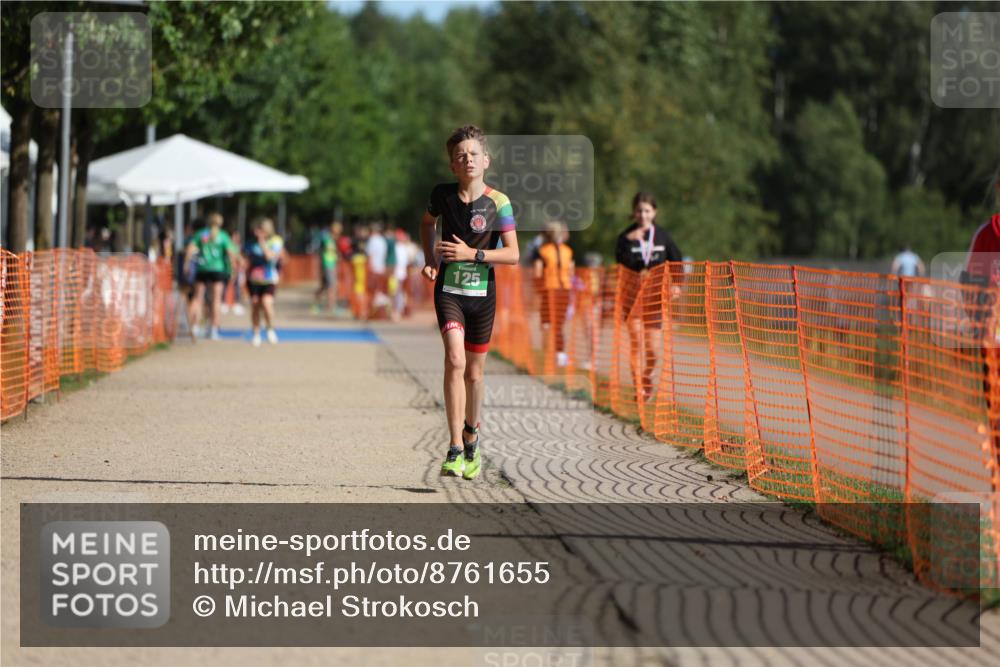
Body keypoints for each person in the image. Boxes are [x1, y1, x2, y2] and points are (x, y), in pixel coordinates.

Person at [420, 125, 520, 480]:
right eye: (461, 155)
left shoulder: (499, 202)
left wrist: (472, 254)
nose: (468, 159)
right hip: (449, 291)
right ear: (452, 165)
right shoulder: (442, 195)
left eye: (474, 154)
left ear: (486, 160)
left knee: (475, 373)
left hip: (482, 296)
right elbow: (427, 223)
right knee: (454, 359)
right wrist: (431, 259)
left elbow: (512, 255)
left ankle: (471, 436)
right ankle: (453, 448)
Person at [614, 192, 683, 402]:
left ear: (654, 212)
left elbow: (676, 260)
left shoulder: (662, 236)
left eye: (647, 211)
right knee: (637, 344)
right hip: (632, 297)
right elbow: (620, 260)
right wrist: (627, 241)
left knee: (653, 350)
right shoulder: (626, 237)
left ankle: (646, 377)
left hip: (654, 299)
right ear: (633, 213)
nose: (643, 215)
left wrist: (678, 284)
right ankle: (639, 389)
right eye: (639, 211)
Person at [184, 213, 240, 341]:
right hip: (218, 270)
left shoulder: (201, 234)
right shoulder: (223, 236)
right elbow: (231, 253)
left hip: (202, 269)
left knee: (198, 298)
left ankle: (194, 327)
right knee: (216, 300)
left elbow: (190, 249)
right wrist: (234, 268)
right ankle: (214, 329)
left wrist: (186, 265)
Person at [534, 221, 575, 368]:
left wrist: (537, 290)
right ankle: (560, 354)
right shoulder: (568, 251)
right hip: (564, 290)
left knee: (546, 323)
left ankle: (547, 354)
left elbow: (537, 273)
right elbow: (571, 271)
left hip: (548, 289)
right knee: (559, 324)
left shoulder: (543, 251)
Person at [245, 217, 286, 346]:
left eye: (261, 230)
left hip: (269, 278)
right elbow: (246, 258)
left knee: (267, 303)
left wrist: (262, 242)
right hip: (253, 279)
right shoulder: (251, 243)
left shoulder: (276, 241)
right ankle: (256, 333)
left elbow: (269, 257)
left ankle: (270, 329)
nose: (258, 233)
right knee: (255, 304)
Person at [313, 221, 343, 314]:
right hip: (328, 265)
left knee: (323, 286)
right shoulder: (327, 239)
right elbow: (325, 252)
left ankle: (316, 305)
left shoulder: (331, 240)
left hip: (330, 264)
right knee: (332, 286)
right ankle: (332, 306)